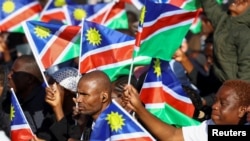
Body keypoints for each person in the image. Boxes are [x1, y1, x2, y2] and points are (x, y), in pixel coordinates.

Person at [122, 79, 250, 141]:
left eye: (223, 103)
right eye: (215, 100)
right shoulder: (210, 127)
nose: (214, 106)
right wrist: (138, 108)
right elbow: (172, 135)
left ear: (242, 110)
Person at [200, 0, 250, 82]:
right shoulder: (223, 21)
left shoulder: (244, 32)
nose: (238, 1)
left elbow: (247, 68)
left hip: (234, 88)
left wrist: (238, 91)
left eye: (244, 2)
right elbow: (209, 5)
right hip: (221, 84)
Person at [7, 55, 53, 138]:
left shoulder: (41, 105)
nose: (9, 76)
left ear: (30, 79)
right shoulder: (18, 98)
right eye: (10, 71)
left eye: (14, 73)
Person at [34, 67, 83, 141]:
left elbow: (67, 137)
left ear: (67, 92)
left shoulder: (80, 119)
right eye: (48, 85)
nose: (48, 89)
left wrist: (57, 108)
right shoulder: (48, 112)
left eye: (52, 86)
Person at [73, 70, 112, 140]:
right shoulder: (90, 122)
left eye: (84, 95)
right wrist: (82, 124)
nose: (78, 99)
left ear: (104, 97)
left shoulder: (116, 128)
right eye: (78, 94)